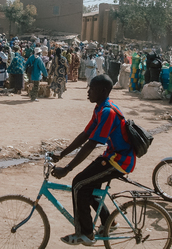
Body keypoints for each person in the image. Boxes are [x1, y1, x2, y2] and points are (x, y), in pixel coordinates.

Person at [51, 74, 135, 245]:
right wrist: (62, 154)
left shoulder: (108, 112)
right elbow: (85, 134)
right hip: (112, 157)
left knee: (79, 183)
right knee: (89, 186)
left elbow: (91, 144)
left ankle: (86, 234)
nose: (88, 92)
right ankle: (108, 222)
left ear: (103, 91)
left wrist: (67, 169)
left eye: (92, 89)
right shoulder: (100, 108)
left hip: (120, 161)